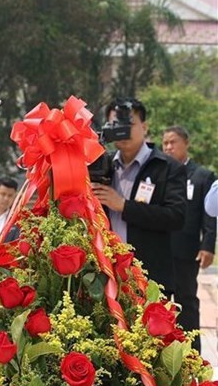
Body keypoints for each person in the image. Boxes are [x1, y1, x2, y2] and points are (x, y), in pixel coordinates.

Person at [92, 98, 186, 296]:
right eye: (116, 125)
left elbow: (176, 217)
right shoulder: (101, 165)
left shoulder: (167, 167)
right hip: (107, 277)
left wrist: (124, 206)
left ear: (144, 127)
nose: (123, 130)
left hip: (150, 278)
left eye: (129, 124)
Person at [162, 126, 216, 351]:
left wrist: (208, 246)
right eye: (164, 143)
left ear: (186, 143)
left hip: (187, 250)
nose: (168, 147)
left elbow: (210, 214)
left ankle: (193, 355)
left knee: (187, 302)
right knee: (159, 304)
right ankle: (161, 354)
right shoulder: (160, 173)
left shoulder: (202, 176)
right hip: (160, 250)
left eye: (173, 142)